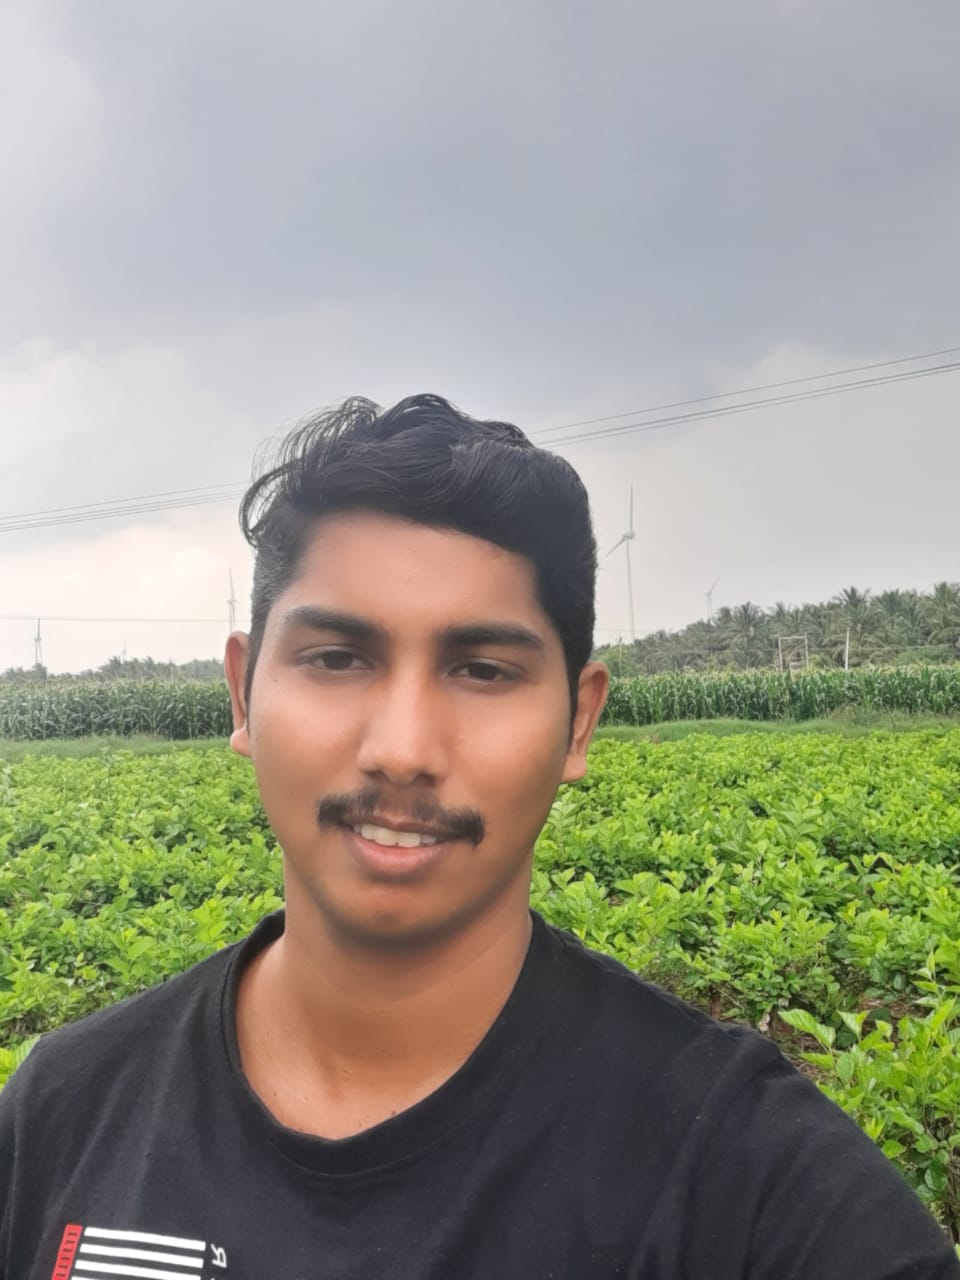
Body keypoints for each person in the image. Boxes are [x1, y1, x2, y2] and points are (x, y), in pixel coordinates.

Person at [1, 394, 957, 1280]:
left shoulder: (747, 1180)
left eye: (483, 670)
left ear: (579, 722)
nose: (403, 750)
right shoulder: (62, 1114)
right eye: (337, 657)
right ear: (243, 694)